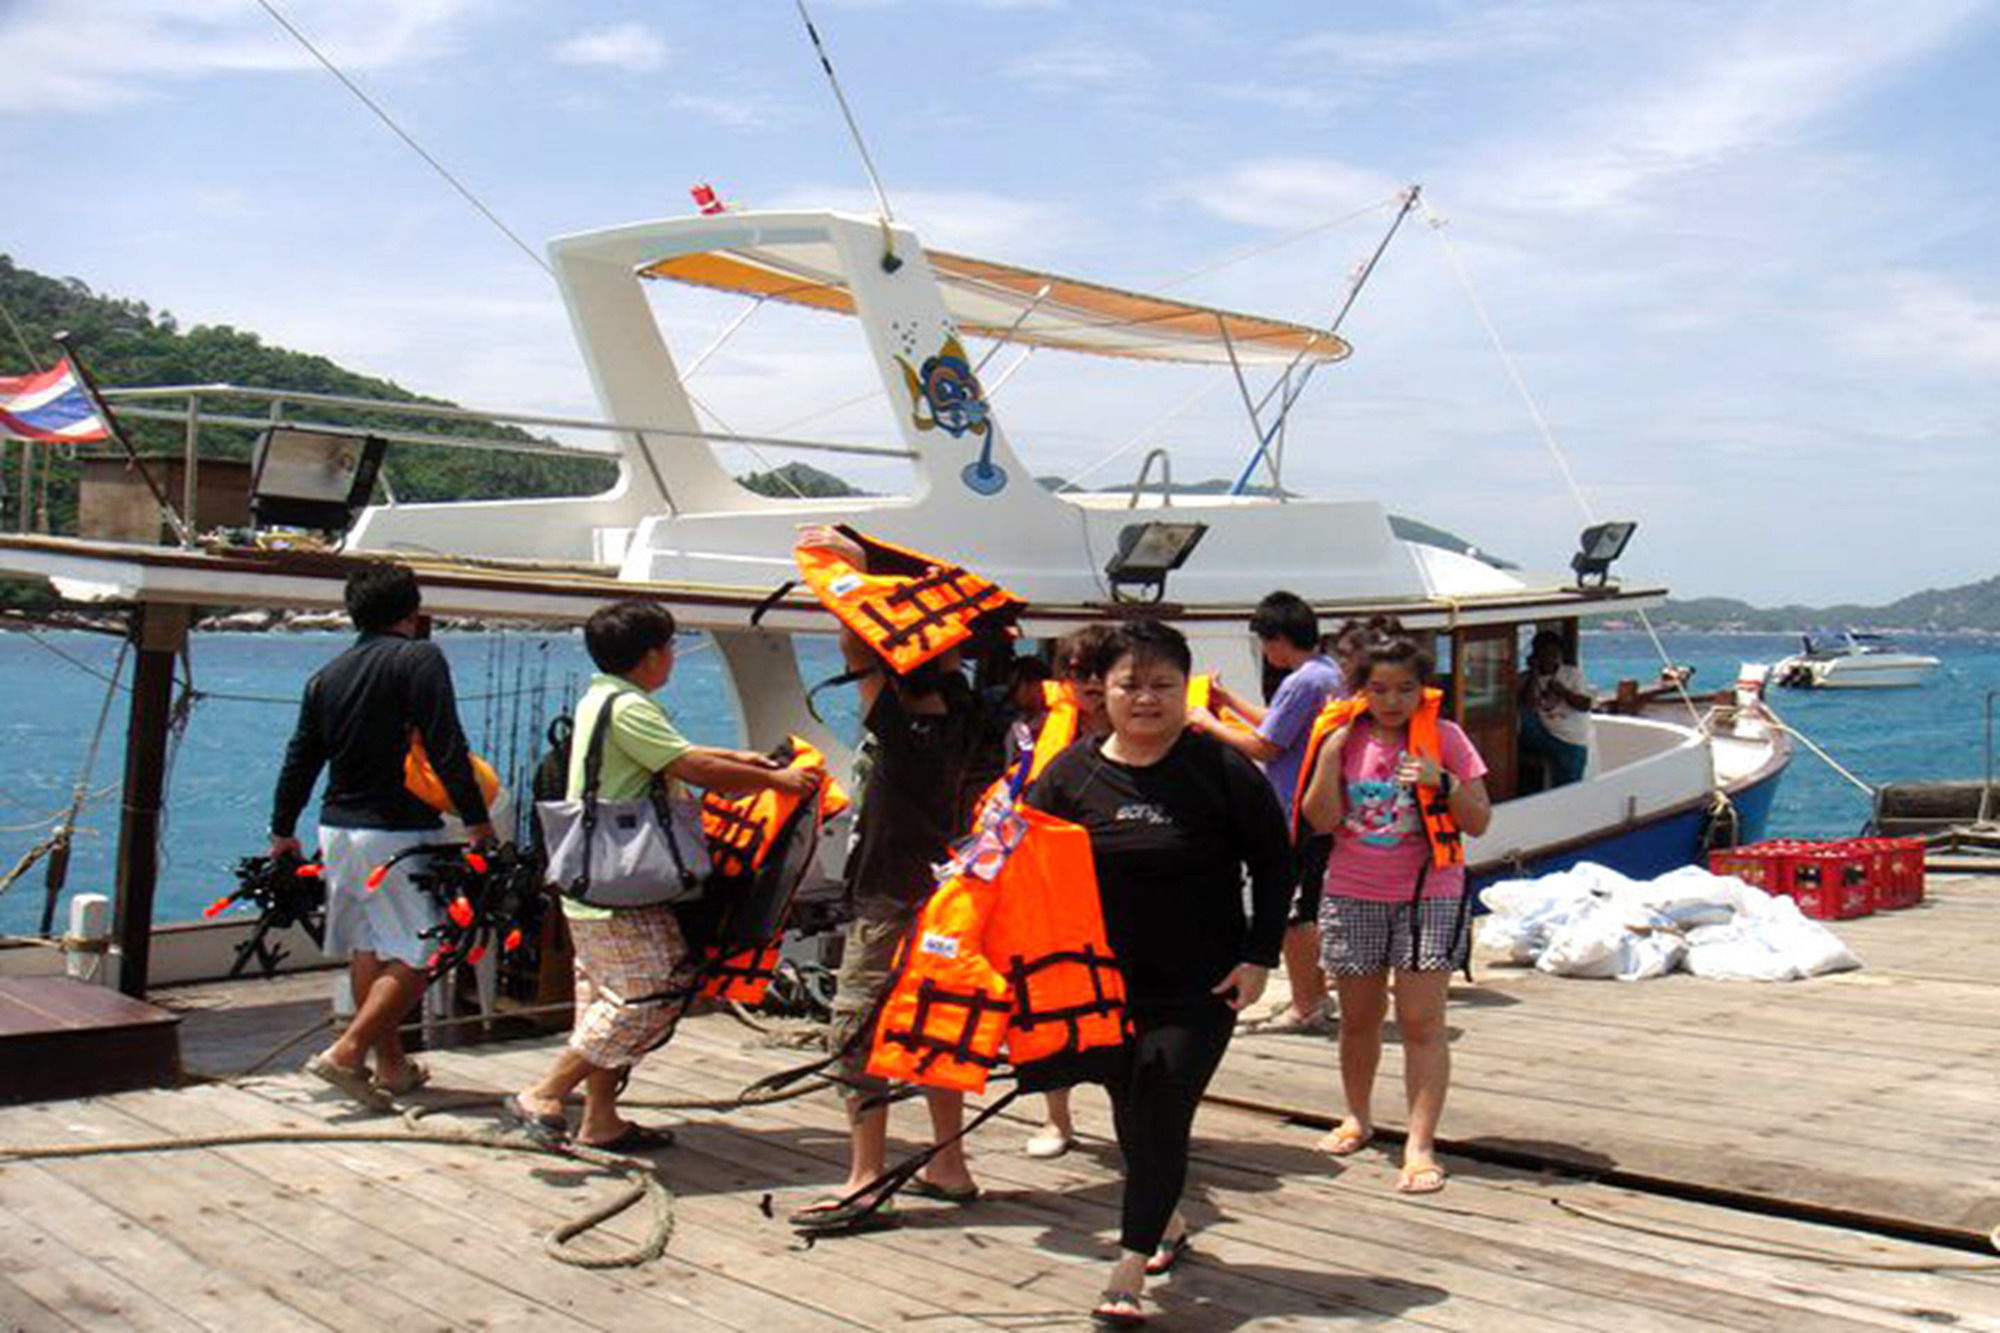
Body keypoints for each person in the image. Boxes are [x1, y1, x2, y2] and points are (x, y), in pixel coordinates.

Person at [1025, 619, 1291, 1326]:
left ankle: (1127, 1269)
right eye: (1129, 684)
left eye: (1163, 684)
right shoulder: (1068, 773)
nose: (1146, 697)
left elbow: (1274, 860)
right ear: (1099, 691)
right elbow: (1023, 869)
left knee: (1163, 1107)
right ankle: (1167, 1222)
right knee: (1131, 1113)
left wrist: (1260, 955)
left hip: (1201, 983)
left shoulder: (1220, 766)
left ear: (1186, 687)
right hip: (1101, 987)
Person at [507, 600, 817, 1150]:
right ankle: (545, 1091)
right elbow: (690, 767)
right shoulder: (630, 708)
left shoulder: (604, 697)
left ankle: (600, 1118)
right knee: (652, 992)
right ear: (651, 655)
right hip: (622, 883)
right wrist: (779, 783)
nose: (673, 656)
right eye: (670, 646)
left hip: (593, 879)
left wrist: (745, 760)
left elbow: (679, 752)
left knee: (606, 999)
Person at [789, 525, 991, 1227]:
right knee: (938, 1026)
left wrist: (848, 573)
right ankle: (950, 1164)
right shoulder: (974, 719)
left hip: (887, 896)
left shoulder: (900, 727)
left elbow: (856, 644)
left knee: (855, 1033)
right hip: (953, 898)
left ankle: (865, 1176)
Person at [271, 562, 496, 1109]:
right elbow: (446, 744)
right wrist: (476, 821)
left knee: (371, 943)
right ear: (412, 611)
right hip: (396, 833)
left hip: (337, 829)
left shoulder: (327, 675)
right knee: (423, 948)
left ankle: (391, 1066)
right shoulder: (420, 658)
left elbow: (301, 756)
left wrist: (282, 829)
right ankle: (346, 1054)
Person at [1298, 633, 1493, 1196]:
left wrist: (1444, 781)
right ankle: (1358, 1117)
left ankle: (1420, 1143)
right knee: (1358, 1019)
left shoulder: (1447, 738)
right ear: (1359, 690)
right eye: (1378, 688)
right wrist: (1330, 754)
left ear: (1423, 690)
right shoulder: (1340, 738)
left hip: (1428, 894)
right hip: (1353, 891)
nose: (1391, 700)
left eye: (1405, 688)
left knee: (1421, 1022)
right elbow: (1318, 819)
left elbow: (1479, 821)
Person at [1188, 591, 1344, 1035]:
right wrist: (1227, 700)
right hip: (1318, 808)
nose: (1266, 652)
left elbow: (1266, 745)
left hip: (1295, 812)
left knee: (1294, 914)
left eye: (1265, 642)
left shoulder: (1302, 683)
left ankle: (1305, 1005)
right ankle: (1314, 993)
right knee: (1307, 905)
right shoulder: (1326, 673)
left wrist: (1207, 722)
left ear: (1278, 638)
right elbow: (1277, 723)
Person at [1024, 623, 1119, 1161]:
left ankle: (1133, 1121)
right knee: (1050, 1006)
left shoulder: (1147, 731)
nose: (1087, 683)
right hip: (1053, 891)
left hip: (1118, 891)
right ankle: (1055, 1119)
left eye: (1099, 671)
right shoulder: (1037, 731)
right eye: (1076, 671)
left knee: (1122, 1015)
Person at [1519, 629, 1594, 789]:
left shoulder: (1572, 674)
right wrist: (1534, 672)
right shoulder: (1528, 678)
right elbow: (1529, 704)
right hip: (1544, 734)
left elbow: (1585, 705)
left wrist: (1563, 691)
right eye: (1544, 654)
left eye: (1553, 654)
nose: (1549, 659)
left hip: (1570, 738)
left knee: (1568, 786)